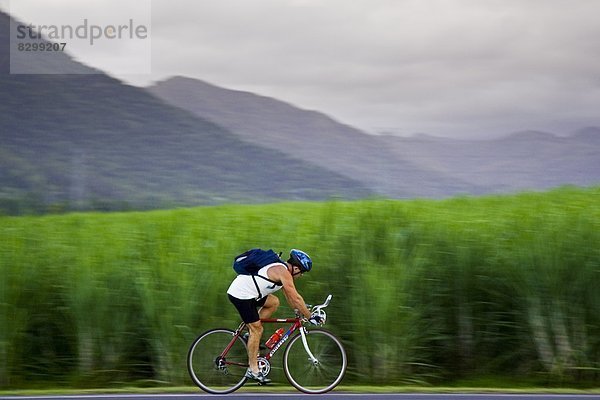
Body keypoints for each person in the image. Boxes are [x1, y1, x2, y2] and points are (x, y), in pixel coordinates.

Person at [227, 249, 322, 384]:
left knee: (274, 302)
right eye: (302, 272)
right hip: (241, 294)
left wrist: (300, 311)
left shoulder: (282, 271)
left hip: (251, 293)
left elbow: (290, 297)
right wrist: (310, 316)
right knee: (257, 329)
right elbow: (295, 297)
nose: (301, 275)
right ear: (295, 268)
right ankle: (253, 370)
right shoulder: (282, 271)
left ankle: (250, 335)